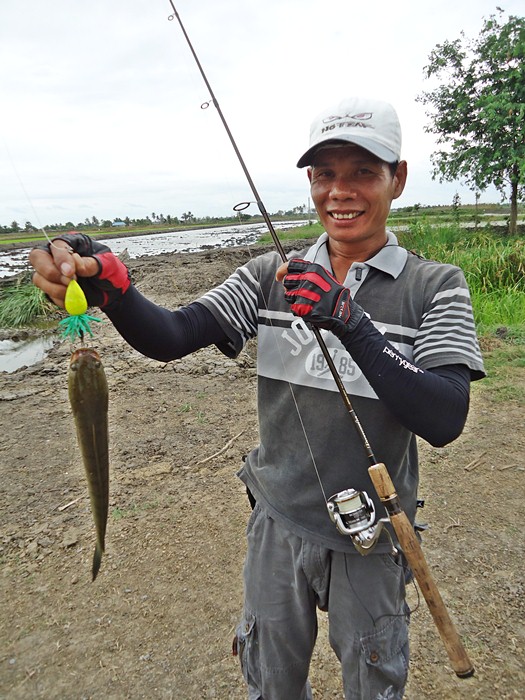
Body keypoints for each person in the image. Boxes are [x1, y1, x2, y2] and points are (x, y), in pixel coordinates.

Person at [30, 96, 485, 700]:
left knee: (373, 683)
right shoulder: (271, 273)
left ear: (397, 179)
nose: (340, 192)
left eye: (363, 173)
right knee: (270, 681)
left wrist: (350, 320)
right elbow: (174, 336)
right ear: (310, 182)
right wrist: (112, 289)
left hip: (373, 533)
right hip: (277, 523)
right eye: (326, 174)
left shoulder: (436, 286)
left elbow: (445, 415)